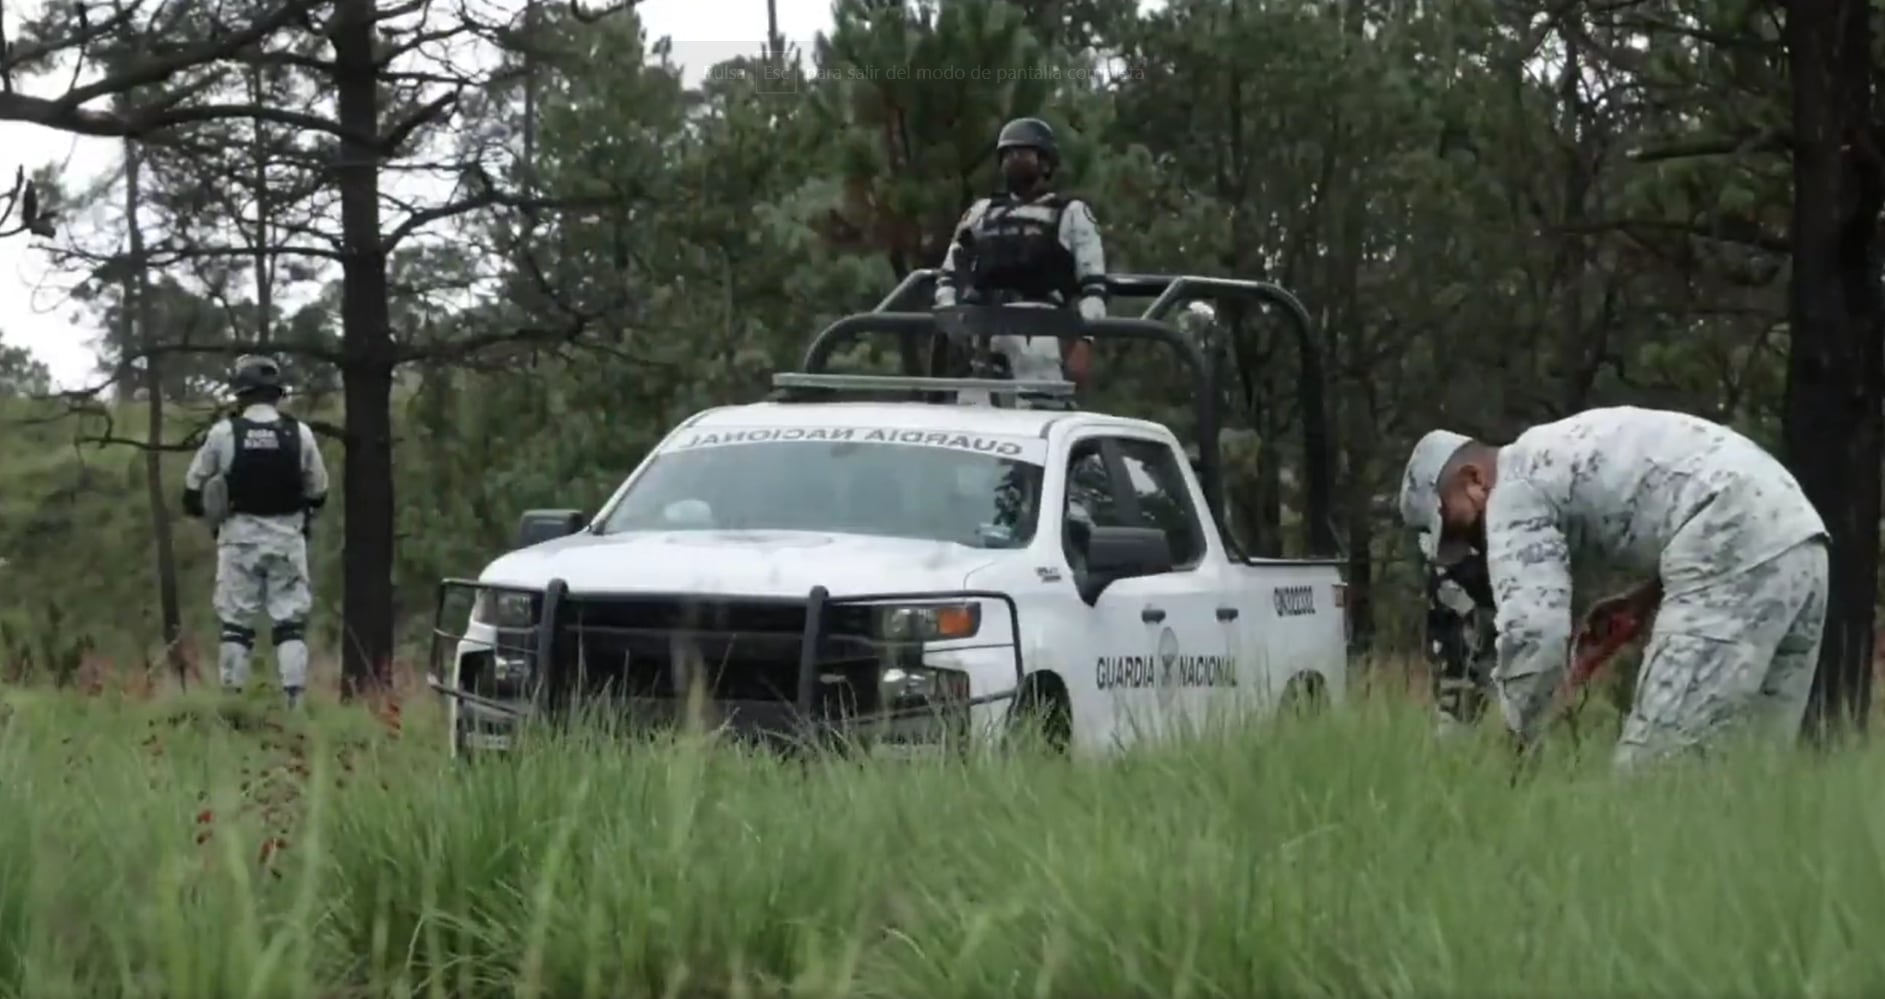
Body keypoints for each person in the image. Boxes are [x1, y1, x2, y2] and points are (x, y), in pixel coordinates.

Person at [1396, 406, 1830, 770]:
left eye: (1459, 528)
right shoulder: (1557, 448)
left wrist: (1515, 741)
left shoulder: (1513, 487)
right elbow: (1696, 493)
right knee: (1751, 773)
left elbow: (1535, 634)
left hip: (1734, 538)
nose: (1474, 544)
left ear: (1473, 480)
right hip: (1799, 540)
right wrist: (1644, 601)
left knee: (1651, 779)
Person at [181, 354, 329, 708]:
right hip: (287, 540)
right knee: (290, 623)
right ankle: (294, 705)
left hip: (238, 539)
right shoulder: (299, 433)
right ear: (277, 394)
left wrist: (208, 511)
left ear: (240, 394)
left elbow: (191, 490)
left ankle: (233, 702)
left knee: (235, 624)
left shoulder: (223, 433)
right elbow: (319, 491)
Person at [932, 116, 1107, 391]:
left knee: (1038, 416)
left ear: (1045, 162)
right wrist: (954, 324)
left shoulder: (1071, 214)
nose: (1013, 160)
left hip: (1041, 331)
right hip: (983, 333)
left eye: (1022, 153)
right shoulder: (981, 213)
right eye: (1007, 154)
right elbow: (949, 276)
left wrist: (1085, 342)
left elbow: (1094, 289)